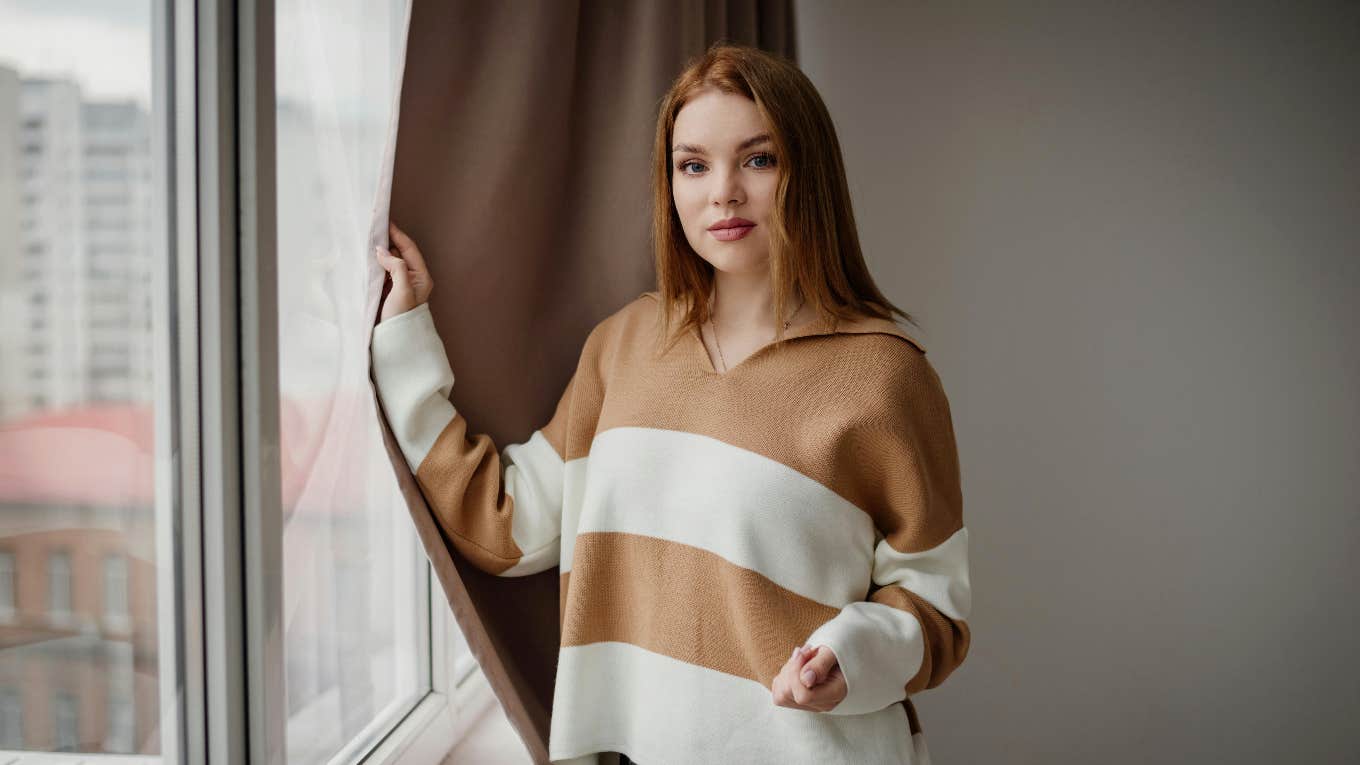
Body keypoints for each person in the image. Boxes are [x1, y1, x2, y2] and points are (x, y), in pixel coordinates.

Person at [371, 43, 970, 765]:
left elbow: (935, 604)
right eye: (693, 164)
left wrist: (851, 658)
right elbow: (508, 526)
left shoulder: (886, 377)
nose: (722, 192)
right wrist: (403, 342)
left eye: (758, 159)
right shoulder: (622, 346)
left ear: (808, 173)